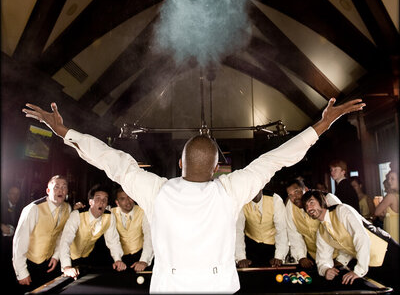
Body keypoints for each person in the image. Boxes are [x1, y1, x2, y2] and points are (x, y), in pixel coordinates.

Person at [22, 97, 365, 293]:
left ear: (179, 162)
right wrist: (322, 124)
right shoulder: (231, 190)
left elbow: (109, 160)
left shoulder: (156, 190)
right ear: (217, 168)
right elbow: (276, 159)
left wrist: (64, 130)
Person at [302, 189, 399, 289]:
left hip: (387, 251)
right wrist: (326, 270)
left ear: (322, 201)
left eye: (311, 202)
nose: (309, 208)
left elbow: (362, 237)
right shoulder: (321, 232)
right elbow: (323, 259)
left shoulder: (341, 210)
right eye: (306, 206)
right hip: (369, 263)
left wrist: (359, 270)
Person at [12, 175, 71, 291]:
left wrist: (56, 255)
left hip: (49, 262)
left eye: (64, 187)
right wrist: (22, 272)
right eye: (56, 187)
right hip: (29, 263)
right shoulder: (33, 209)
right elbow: (19, 242)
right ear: (48, 191)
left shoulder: (67, 208)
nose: (61, 190)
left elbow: (61, 235)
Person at [59, 184, 126, 279]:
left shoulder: (110, 217)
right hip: (66, 258)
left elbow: (113, 240)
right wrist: (66, 266)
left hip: (87, 259)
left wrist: (118, 259)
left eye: (105, 200)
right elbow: (65, 241)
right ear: (90, 202)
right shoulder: (77, 215)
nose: (102, 202)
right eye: (98, 199)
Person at [285, 178, 341, 269]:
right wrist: (301, 257)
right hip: (314, 259)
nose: (294, 198)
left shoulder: (328, 199)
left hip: (338, 258)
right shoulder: (290, 206)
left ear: (306, 190)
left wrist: (341, 259)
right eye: (290, 195)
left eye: (296, 192)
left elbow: (343, 230)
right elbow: (294, 233)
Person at [235, 189, 288, 268]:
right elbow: (238, 231)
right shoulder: (241, 202)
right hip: (250, 245)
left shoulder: (275, 200)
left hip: (273, 246)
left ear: (261, 186)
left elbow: (282, 230)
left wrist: (279, 256)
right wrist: (241, 257)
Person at [112, 187, 153, 270]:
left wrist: (144, 260)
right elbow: (112, 240)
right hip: (120, 257)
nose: (128, 201)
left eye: (129, 197)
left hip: (141, 254)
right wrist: (117, 259)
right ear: (117, 202)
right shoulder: (110, 213)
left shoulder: (143, 211)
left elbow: (149, 236)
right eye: (122, 199)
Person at [374, 171, 399, 243]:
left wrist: (385, 213)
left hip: (393, 231)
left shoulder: (390, 196)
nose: (389, 181)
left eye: (392, 179)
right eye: (388, 178)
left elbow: (376, 212)